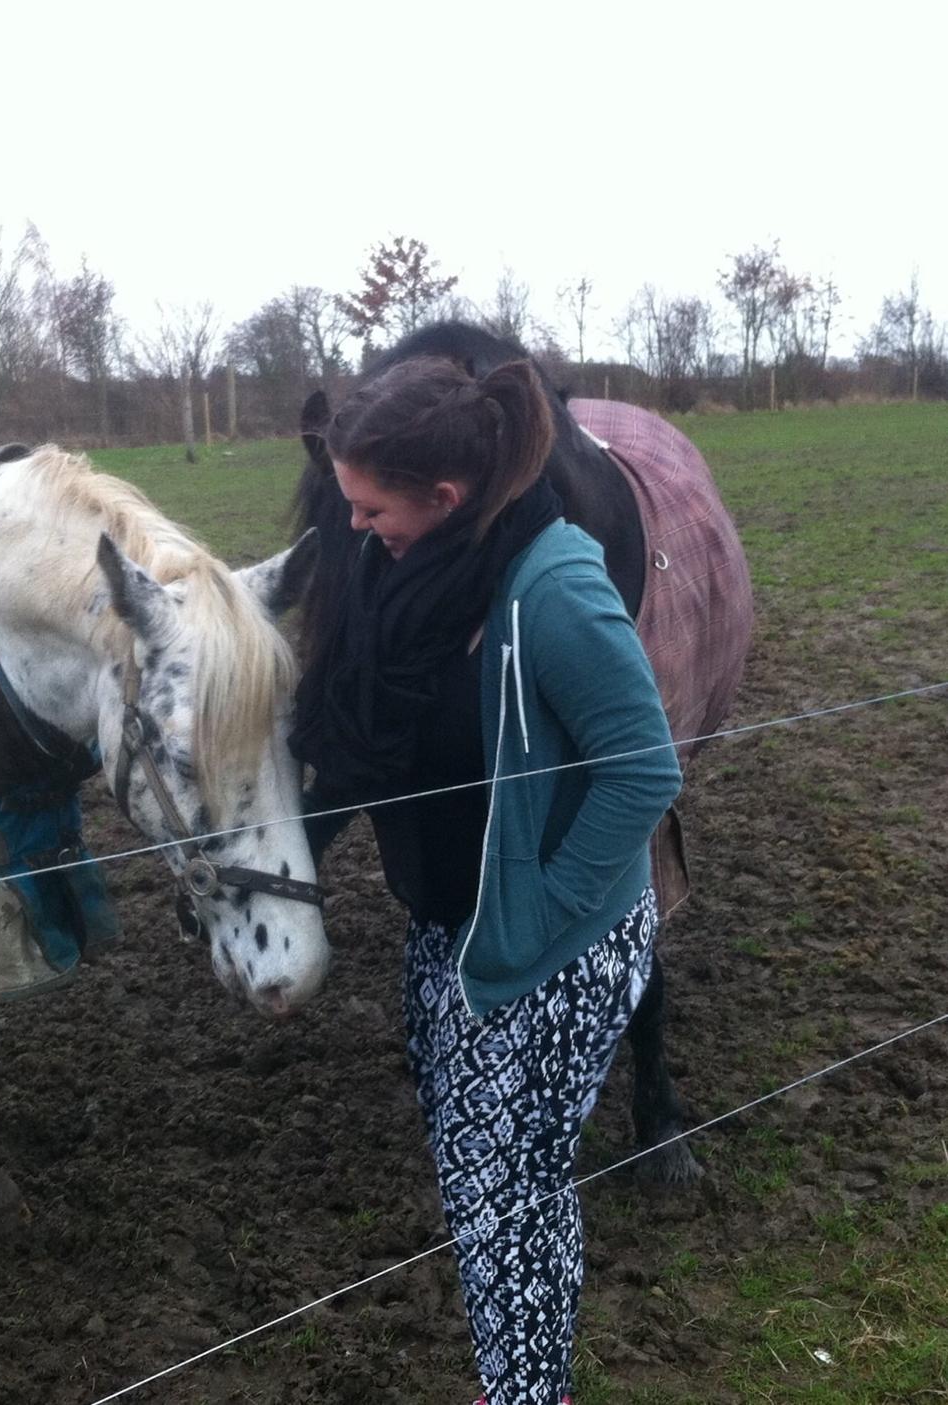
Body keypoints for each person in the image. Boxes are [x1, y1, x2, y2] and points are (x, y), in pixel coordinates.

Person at [289, 355, 682, 1405]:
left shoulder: (551, 585)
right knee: (486, 1185)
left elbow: (643, 767)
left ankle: (525, 1393)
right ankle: (523, 1382)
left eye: (370, 507)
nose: (356, 527)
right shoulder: (410, 578)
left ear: (445, 498)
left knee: (512, 1191)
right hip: (451, 932)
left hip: (547, 946)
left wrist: (545, 915)